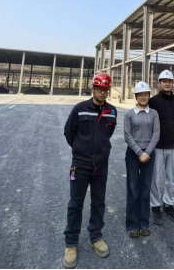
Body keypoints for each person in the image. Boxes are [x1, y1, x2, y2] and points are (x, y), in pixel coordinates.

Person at [63, 72, 117, 270]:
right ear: (93, 89)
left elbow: (108, 134)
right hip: (79, 166)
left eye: (105, 90)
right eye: (99, 89)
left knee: (99, 202)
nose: (102, 93)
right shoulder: (80, 109)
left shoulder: (112, 111)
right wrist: (81, 150)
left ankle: (96, 236)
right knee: (75, 203)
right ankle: (71, 244)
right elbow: (69, 132)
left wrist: (99, 152)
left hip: (101, 166)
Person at [124, 82, 161, 239]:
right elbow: (127, 135)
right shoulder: (129, 114)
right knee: (133, 189)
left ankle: (144, 224)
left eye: (146, 94)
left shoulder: (154, 113)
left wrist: (147, 152)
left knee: (145, 189)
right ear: (136, 97)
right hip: (133, 154)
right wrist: (139, 152)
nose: (143, 97)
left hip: (149, 154)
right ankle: (132, 225)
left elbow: (156, 134)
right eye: (140, 95)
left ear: (149, 96)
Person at [149, 70, 174, 225]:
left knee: (172, 178)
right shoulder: (153, 102)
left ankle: (169, 204)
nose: (167, 84)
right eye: (164, 81)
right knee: (156, 179)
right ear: (159, 84)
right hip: (158, 146)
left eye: (170, 81)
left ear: (173, 84)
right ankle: (155, 206)